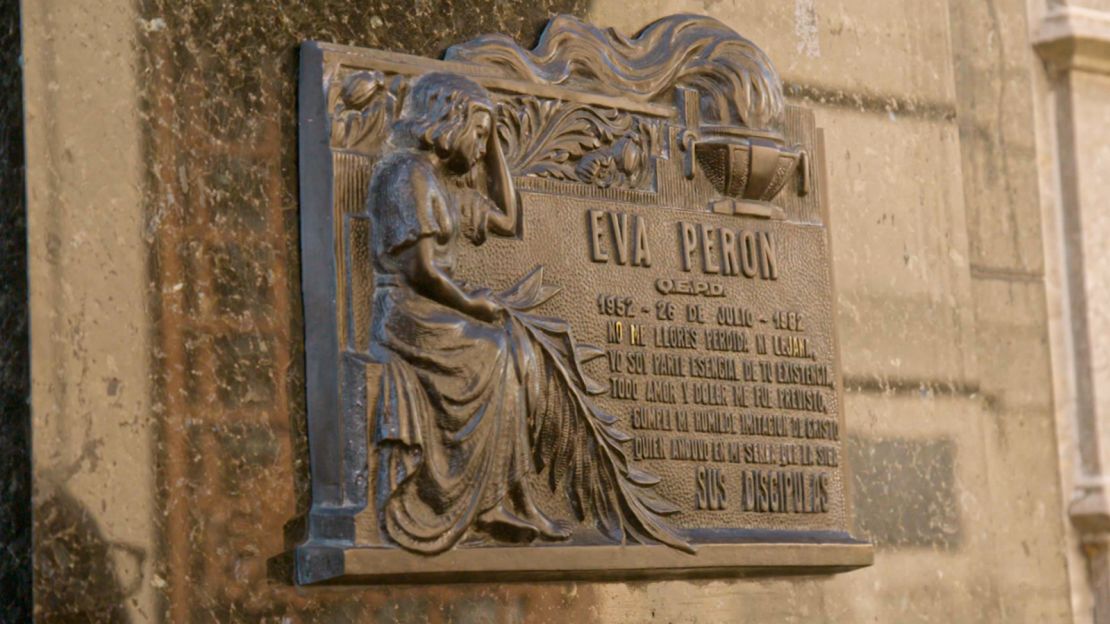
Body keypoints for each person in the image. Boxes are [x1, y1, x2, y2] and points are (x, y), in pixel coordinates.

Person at [367, 72, 568, 554]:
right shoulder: (407, 175)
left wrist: (494, 139)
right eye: (476, 133)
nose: (480, 145)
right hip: (407, 309)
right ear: (448, 121)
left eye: (485, 136)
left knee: (518, 348)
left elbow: (507, 217)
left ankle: (510, 496)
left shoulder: (442, 182)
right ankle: (480, 500)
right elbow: (422, 271)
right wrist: (473, 304)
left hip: (436, 303)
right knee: (493, 351)